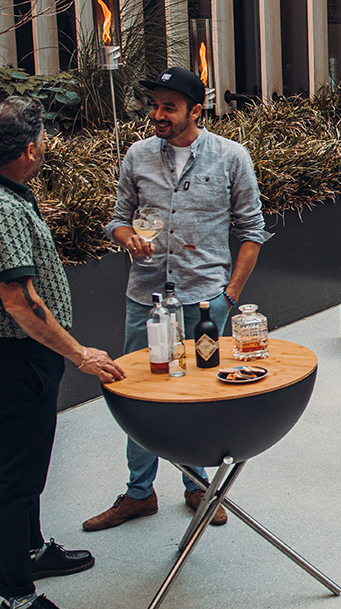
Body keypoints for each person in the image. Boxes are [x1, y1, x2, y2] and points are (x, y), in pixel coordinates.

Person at [0, 96, 125, 609]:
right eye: (42, 138)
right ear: (28, 150)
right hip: (15, 357)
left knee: (26, 466)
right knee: (17, 478)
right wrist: (79, 354)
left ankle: (30, 549)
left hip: (17, 355)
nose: (44, 144)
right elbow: (20, 302)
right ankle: (18, 602)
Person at [85, 67, 269, 531]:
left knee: (199, 395)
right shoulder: (137, 156)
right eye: (154, 106)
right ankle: (139, 493)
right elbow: (116, 218)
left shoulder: (231, 157)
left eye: (169, 106)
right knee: (139, 395)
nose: (158, 114)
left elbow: (252, 232)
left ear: (195, 110)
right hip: (144, 297)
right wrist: (127, 236)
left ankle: (198, 486)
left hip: (204, 298)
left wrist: (229, 295)